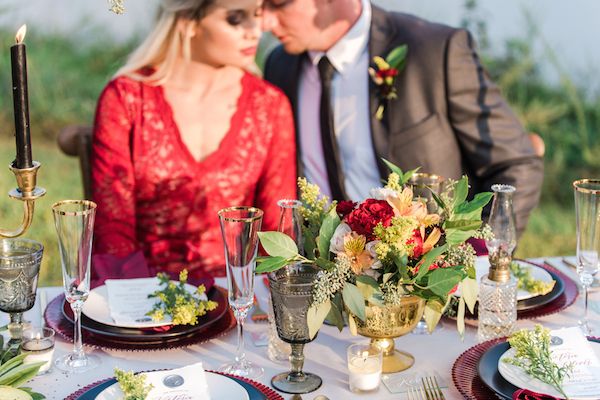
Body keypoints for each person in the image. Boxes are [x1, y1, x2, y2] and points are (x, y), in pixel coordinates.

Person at [261, 0, 543, 236]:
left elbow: (516, 164)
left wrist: (480, 258)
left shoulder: (434, 50)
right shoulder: (279, 66)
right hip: (323, 282)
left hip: (431, 286)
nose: (265, 23)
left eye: (278, 4)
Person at [91, 0, 296, 281]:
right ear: (188, 21)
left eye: (257, 15)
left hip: (237, 293)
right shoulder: (126, 98)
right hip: (143, 291)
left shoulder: (270, 105)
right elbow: (113, 230)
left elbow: (278, 229)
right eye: (236, 19)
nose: (255, 31)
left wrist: (259, 305)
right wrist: (138, 307)